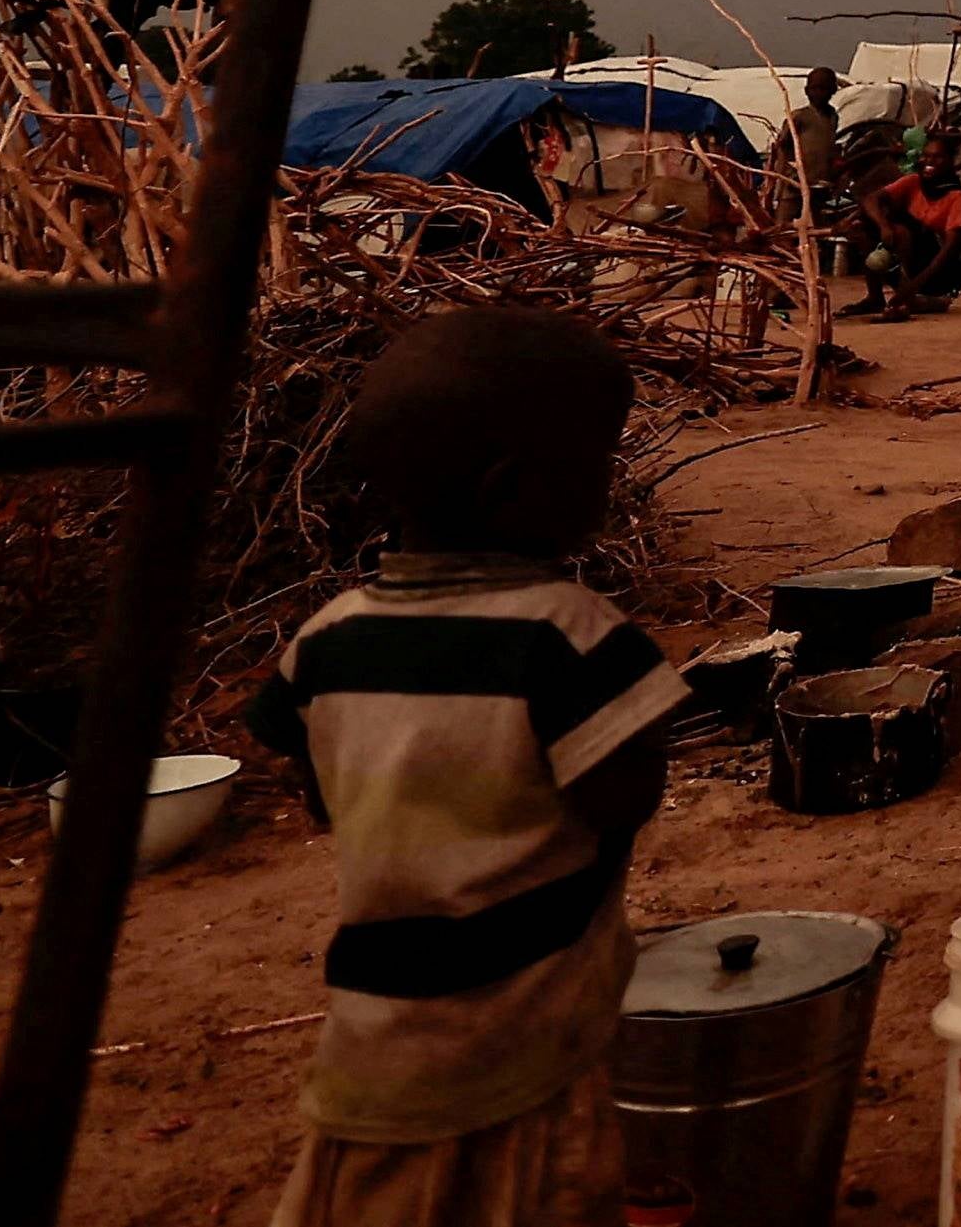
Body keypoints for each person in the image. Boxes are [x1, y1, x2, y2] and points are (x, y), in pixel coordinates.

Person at [249, 308, 686, 1227]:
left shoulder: (328, 641)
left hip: (373, 1043)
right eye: (598, 464)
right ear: (513, 489)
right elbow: (624, 795)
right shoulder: (571, 640)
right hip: (522, 1051)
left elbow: (324, 792)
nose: (607, 487)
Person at [854, 122, 961, 317]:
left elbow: (949, 251)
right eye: (926, 156)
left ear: (950, 160)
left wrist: (911, 288)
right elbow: (871, 199)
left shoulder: (957, 196)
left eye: (937, 157)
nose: (929, 162)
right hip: (912, 263)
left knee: (904, 231)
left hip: (938, 275)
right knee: (863, 226)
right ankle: (875, 296)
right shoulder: (913, 182)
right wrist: (883, 226)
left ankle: (914, 296)